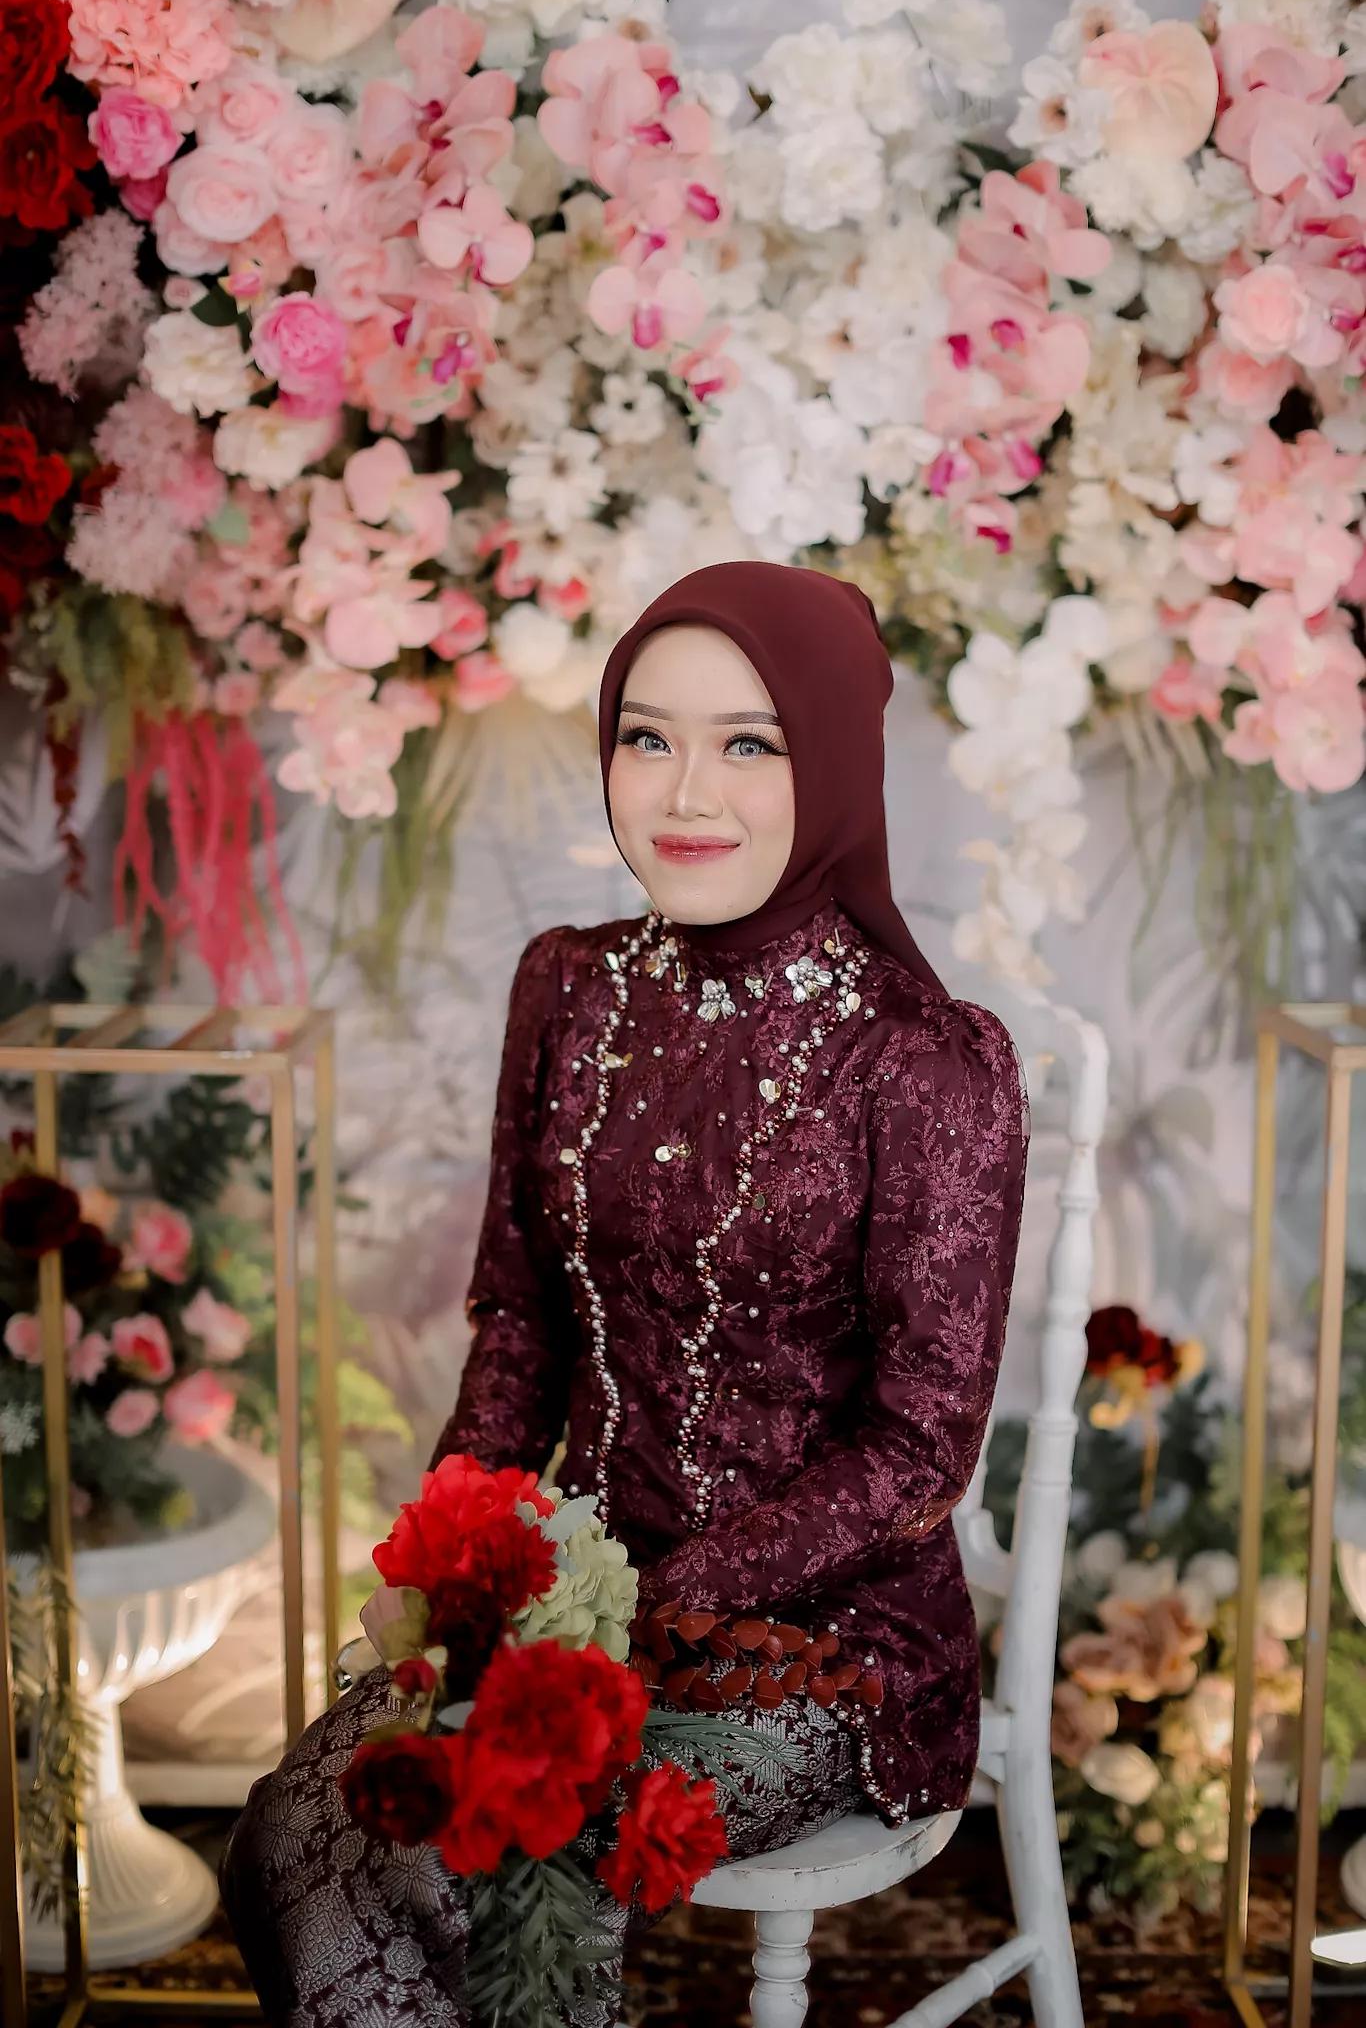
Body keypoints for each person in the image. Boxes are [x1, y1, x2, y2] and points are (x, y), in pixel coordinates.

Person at [221, 562, 1028, 2026]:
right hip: (559, 1594)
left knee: (472, 1854)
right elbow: (521, 1321)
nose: (684, 792)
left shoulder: (923, 1059)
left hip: (817, 1647)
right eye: (646, 736)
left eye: (749, 743)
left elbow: (918, 1452)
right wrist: (457, 1568)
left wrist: (653, 1606)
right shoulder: (570, 987)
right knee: (292, 1831)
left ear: (835, 763)